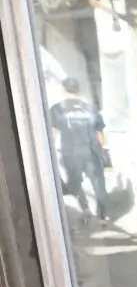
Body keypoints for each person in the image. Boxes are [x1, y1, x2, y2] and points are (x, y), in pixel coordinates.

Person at [47, 77, 108, 220]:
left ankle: (85, 208)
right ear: (78, 90)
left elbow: (53, 133)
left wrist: (50, 154)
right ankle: (103, 217)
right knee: (98, 183)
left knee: (74, 183)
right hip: (92, 151)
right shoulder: (91, 108)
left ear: (63, 89)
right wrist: (103, 150)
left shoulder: (56, 109)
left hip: (70, 153)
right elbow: (99, 133)